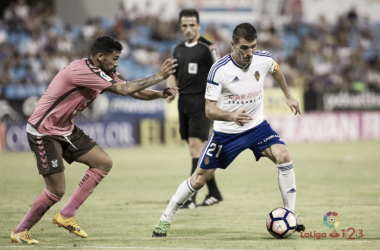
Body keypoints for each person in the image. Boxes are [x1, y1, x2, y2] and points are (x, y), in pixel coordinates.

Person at [10, 36, 178, 244]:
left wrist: (160, 94)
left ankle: (67, 214)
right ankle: (20, 230)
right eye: (114, 58)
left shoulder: (103, 72)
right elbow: (124, 89)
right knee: (56, 190)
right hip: (43, 131)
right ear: (100, 56)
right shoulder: (80, 70)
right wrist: (159, 76)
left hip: (65, 129)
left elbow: (131, 90)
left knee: (103, 162)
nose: (116, 63)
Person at [152, 23, 305, 237]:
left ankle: (290, 215)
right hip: (226, 134)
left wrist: (288, 95)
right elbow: (209, 110)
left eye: (252, 47)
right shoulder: (219, 70)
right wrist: (232, 116)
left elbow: (275, 70)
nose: (249, 53)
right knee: (198, 179)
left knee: (284, 156)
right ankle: (165, 218)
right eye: (244, 48)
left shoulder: (264, 59)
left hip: (256, 127)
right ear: (233, 44)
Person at [166, 9, 223, 209]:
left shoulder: (208, 47)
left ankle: (190, 197)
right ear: (180, 27)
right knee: (196, 151)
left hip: (201, 102)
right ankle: (214, 192)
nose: (188, 29)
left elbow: (219, 72)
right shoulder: (178, 49)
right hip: (184, 102)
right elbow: (173, 74)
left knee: (195, 148)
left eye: (192, 25)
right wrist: (170, 90)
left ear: (199, 25)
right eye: (184, 26)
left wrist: (216, 100)